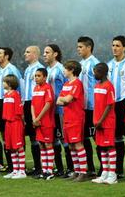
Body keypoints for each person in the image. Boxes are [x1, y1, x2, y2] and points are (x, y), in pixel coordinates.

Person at [107, 35, 125, 179]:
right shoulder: (109, 65)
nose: (114, 48)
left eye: (118, 45)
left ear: (124, 47)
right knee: (115, 137)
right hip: (112, 104)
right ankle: (117, 170)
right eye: (113, 45)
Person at [43, 44, 72, 178]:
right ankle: (59, 168)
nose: (45, 55)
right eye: (44, 52)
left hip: (61, 109)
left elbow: (69, 85)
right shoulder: (47, 70)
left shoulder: (60, 69)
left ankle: (71, 169)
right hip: (50, 110)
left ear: (55, 54)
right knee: (54, 139)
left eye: (47, 52)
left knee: (64, 139)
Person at [56, 60, 87, 182]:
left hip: (76, 118)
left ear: (72, 70)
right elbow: (58, 101)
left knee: (78, 144)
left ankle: (83, 172)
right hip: (67, 117)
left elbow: (67, 99)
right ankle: (77, 170)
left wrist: (64, 99)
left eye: (65, 68)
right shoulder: (66, 84)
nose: (63, 71)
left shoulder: (77, 84)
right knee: (71, 146)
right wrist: (64, 99)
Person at [0, 47, 22, 173]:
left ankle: (18, 166)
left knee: (15, 136)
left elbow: (18, 87)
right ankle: (12, 166)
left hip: (11, 103)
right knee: (4, 134)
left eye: (0, 53)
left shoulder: (12, 69)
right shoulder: (0, 71)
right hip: (2, 101)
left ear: (6, 56)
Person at [91, 63, 117, 185]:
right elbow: (97, 105)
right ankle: (104, 173)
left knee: (109, 147)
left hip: (107, 122)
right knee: (101, 147)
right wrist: (95, 120)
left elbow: (110, 104)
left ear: (102, 72)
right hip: (98, 122)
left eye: (95, 71)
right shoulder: (96, 86)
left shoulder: (109, 86)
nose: (94, 74)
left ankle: (112, 174)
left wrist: (101, 120)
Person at [76, 36, 99, 177]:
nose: (78, 49)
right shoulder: (79, 64)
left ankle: (106, 168)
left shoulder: (95, 64)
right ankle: (89, 168)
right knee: (84, 138)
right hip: (81, 108)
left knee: (98, 138)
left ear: (89, 47)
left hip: (93, 107)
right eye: (78, 47)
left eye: (80, 47)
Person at [22, 45, 45, 176]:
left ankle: (41, 167)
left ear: (35, 54)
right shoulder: (27, 70)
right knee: (32, 137)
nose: (25, 54)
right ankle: (37, 166)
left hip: (35, 103)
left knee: (38, 137)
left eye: (28, 52)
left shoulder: (39, 69)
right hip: (27, 103)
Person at [30, 68, 55, 180]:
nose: (36, 78)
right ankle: (44, 170)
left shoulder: (47, 87)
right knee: (41, 145)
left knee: (48, 145)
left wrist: (38, 118)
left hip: (46, 122)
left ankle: (50, 171)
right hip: (37, 122)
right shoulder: (35, 88)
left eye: (39, 76)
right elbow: (32, 104)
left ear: (45, 77)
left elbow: (48, 103)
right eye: (35, 76)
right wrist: (34, 118)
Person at [2, 74, 26, 179]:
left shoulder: (16, 95)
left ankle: (22, 171)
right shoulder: (6, 95)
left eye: (4, 82)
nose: (3, 83)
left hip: (16, 123)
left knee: (19, 147)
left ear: (10, 84)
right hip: (8, 124)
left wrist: (22, 122)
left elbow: (19, 112)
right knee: (11, 147)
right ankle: (15, 170)